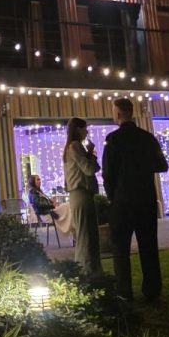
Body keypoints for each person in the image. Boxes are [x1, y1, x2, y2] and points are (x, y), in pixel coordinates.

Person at [102, 97, 169, 302]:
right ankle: (152, 290)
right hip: (145, 198)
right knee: (148, 245)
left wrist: (112, 196)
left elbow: (108, 173)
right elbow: (162, 166)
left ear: (118, 114)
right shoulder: (147, 138)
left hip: (123, 200)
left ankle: (124, 291)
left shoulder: (113, 139)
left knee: (121, 248)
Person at [64, 117, 102, 275]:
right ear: (78, 129)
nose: (87, 131)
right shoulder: (75, 146)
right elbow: (89, 169)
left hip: (81, 194)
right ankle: (86, 270)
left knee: (88, 234)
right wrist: (91, 154)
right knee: (86, 235)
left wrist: (89, 154)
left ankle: (91, 270)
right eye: (85, 128)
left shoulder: (72, 147)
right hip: (81, 193)